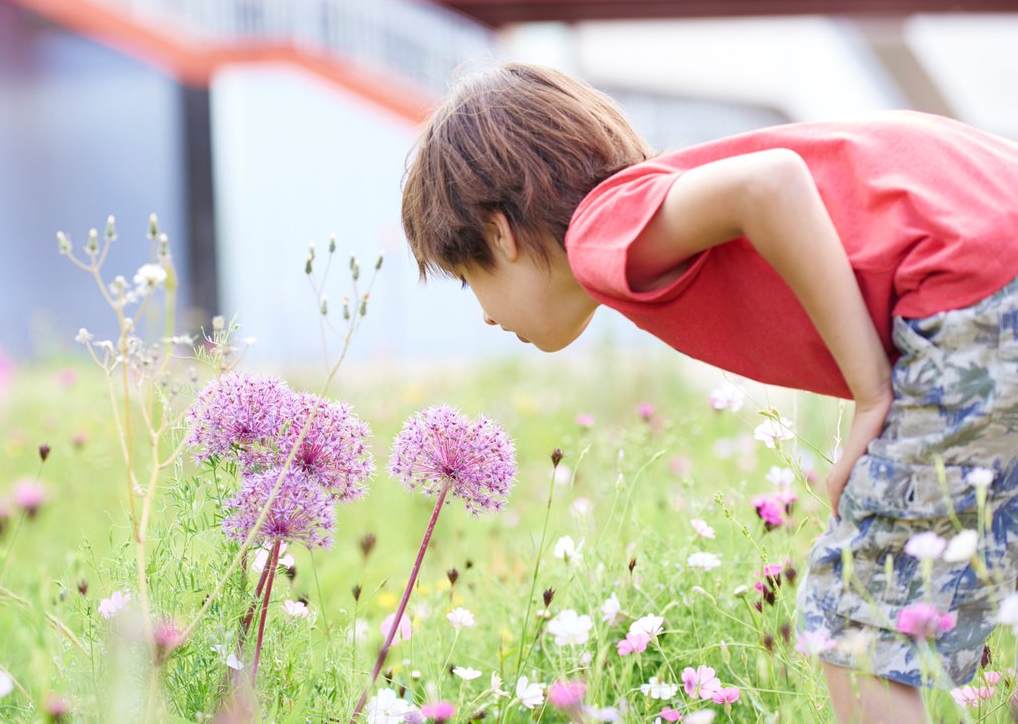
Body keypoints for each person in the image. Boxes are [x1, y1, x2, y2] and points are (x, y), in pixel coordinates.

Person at [400, 62, 1018, 724]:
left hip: (970, 295)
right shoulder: (658, 199)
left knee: (855, 620)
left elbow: (772, 182)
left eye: (469, 279)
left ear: (501, 233)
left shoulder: (600, 231)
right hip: (983, 257)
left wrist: (873, 394)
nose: (487, 316)